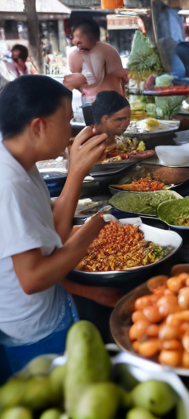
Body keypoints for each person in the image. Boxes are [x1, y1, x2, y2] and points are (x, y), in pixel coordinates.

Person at [0, 75, 115, 375]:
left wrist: (75, 173)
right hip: (30, 332)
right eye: (66, 121)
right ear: (38, 127)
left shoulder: (20, 162)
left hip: (52, 310)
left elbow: (55, 234)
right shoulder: (8, 184)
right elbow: (33, 277)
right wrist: (95, 226)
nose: (70, 131)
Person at [64, 19, 128, 104]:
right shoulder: (75, 54)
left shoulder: (108, 51)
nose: (74, 41)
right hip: (92, 102)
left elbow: (120, 78)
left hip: (110, 102)